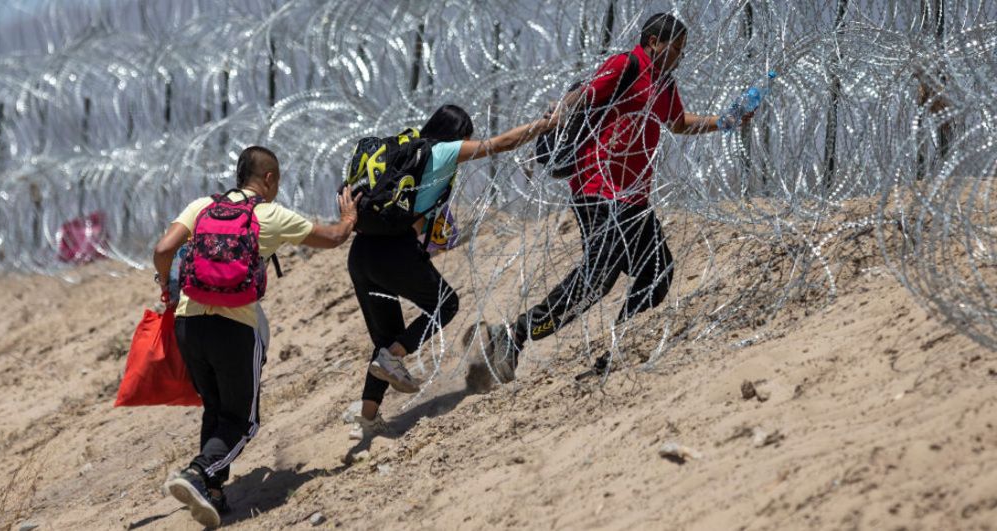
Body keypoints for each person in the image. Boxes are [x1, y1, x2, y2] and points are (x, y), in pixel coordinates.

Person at [479, 13, 752, 382]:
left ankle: (621, 346)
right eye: (676, 49)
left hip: (634, 197)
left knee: (657, 272)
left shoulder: (665, 83)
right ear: (653, 41)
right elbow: (585, 94)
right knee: (599, 275)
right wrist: (557, 114)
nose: (680, 57)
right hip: (598, 189)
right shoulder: (627, 64)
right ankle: (515, 334)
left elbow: (677, 123)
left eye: (683, 51)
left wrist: (723, 122)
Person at [152, 146, 358, 527]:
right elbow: (333, 237)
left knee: (216, 408)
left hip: (189, 324)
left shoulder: (201, 207)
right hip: (235, 327)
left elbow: (163, 249)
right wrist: (348, 217)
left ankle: (212, 491)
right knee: (244, 421)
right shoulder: (270, 214)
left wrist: (167, 287)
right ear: (268, 179)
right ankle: (197, 474)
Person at [348, 104, 556, 440]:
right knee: (446, 304)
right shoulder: (441, 151)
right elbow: (500, 144)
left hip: (361, 254)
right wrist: (547, 124)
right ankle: (394, 356)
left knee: (387, 339)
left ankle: (367, 420)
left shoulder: (405, 153)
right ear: (459, 135)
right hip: (392, 251)